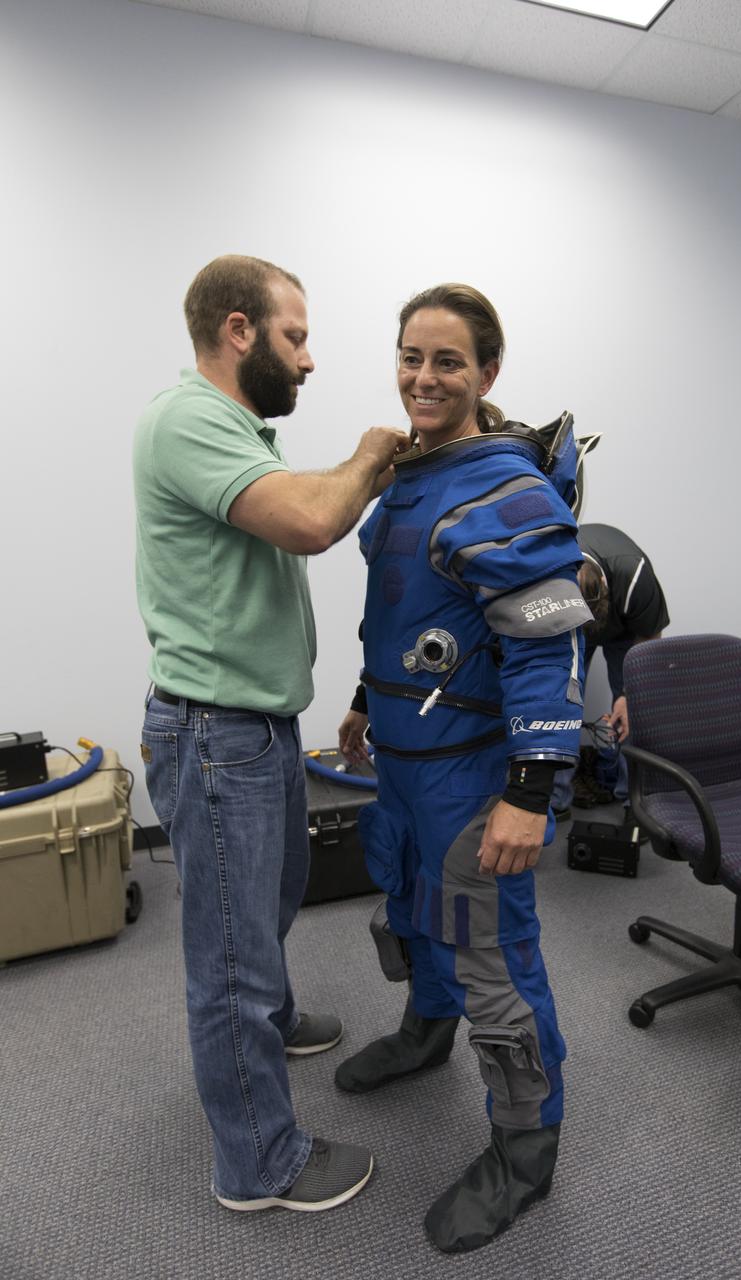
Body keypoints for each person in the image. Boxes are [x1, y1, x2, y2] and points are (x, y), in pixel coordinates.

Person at [133, 255, 407, 1214]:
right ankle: (258, 1164)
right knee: (229, 958)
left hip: (253, 725)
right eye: (296, 337)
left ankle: (275, 1021)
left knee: (274, 900)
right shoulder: (188, 421)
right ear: (239, 331)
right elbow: (310, 521)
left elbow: (302, 499)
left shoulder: (235, 428)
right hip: (216, 733)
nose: (309, 359)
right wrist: (377, 452)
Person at [335, 284, 591, 1253]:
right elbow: (401, 615)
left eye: (446, 361)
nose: (422, 377)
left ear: (487, 372)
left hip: (472, 768)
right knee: (407, 904)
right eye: (410, 356)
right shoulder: (410, 475)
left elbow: (541, 651)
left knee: (493, 954)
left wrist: (531, 791)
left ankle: (525, 1147)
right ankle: (424, 1025)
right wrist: (365, 700)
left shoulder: (507, 490)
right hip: (403, 759)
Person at [552, 523, 669, 811]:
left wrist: (629, 695)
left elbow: (650, 641)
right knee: (560, 703)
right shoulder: (551, 571)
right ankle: (554, 802)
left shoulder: (634, 575)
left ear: (605, 586)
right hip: (570, 630)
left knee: (637, 708)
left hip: (627, 631)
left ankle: (635, 800)